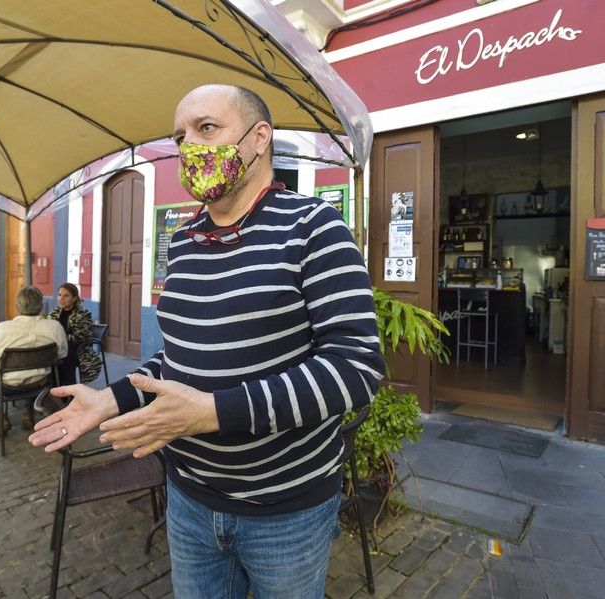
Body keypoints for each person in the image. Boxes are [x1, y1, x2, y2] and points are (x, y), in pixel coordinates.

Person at [30, 84, 385, 598]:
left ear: (258, 137)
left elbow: (356, 368)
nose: (189, 147)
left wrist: (215, 412)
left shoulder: (316, 228)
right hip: (190, 499)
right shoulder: (184, 242)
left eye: (206, 128)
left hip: (285, 512)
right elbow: (178, 357)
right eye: (180, 138)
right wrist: (110, 400)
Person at [0, 286, 68, 436]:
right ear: (40, 305)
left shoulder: (1, 329)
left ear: (17, 306)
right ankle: (28, 410)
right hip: (40, 383)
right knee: (34, 372)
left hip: (6, 386)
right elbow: (62, 354)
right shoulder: (54, 327)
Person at [48, 283, 102, 386]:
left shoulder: (83, 314)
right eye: (59, 295)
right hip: (57, 350)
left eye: (66, 295)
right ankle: (52, 389)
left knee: (68, 349)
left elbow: (80, 338)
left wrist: (60, 337)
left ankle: (68, 390)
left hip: (79, 351)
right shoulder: (54, 313)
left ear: (74, 298)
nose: (61, 298)